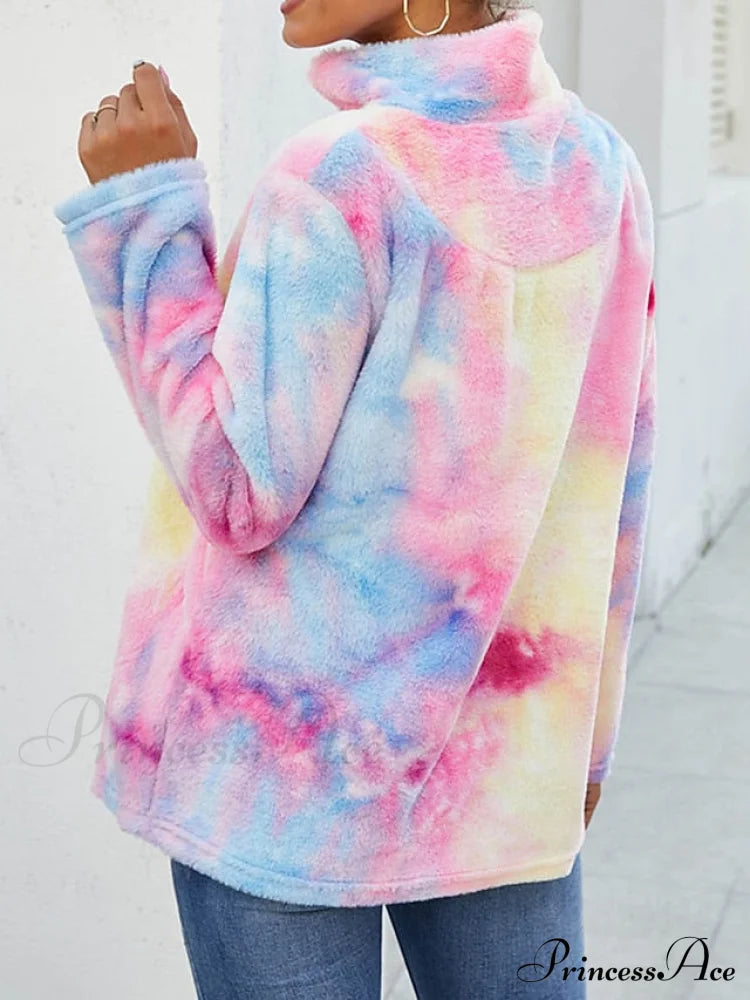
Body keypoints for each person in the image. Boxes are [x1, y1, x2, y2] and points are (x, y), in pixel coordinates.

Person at [52, 0, 657, 996]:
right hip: (498, 777)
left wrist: (144, 215)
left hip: (281, 778)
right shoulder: (606, 172)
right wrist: (577, 758)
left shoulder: (342, 175)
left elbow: (236, 489)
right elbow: (616, 495)